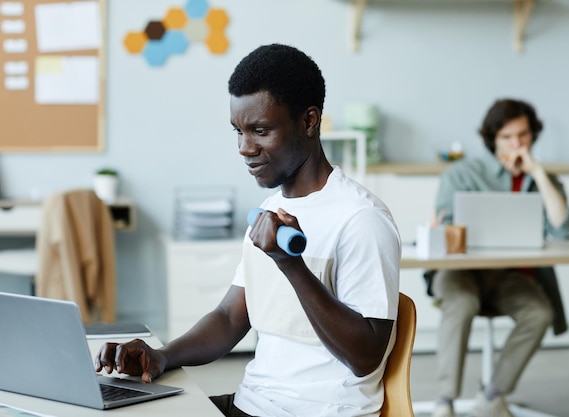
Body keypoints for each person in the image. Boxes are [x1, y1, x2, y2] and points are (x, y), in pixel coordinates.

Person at [95, 43, 401, 417]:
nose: (244, 147)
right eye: (238, 131)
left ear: (309, 121)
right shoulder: (271, 211)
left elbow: (365, 356)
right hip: (252, 405)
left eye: (260, 130)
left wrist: (291, 265)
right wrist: (160, 356)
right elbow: (228, 319)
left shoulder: (362, 219)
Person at [429, 98, 569, 417]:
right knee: (462, 303)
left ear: (532, 135)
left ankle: (493, 396)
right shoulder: (462, 173)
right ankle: (445, 401)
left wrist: (537, 172)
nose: (517, 144)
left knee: (539, 313)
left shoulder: (541, 179)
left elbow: (564, 230)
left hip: (510, 276)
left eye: (523, 135)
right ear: (493, 139)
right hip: (461, 273)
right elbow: (445, 229)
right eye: (508, 137)